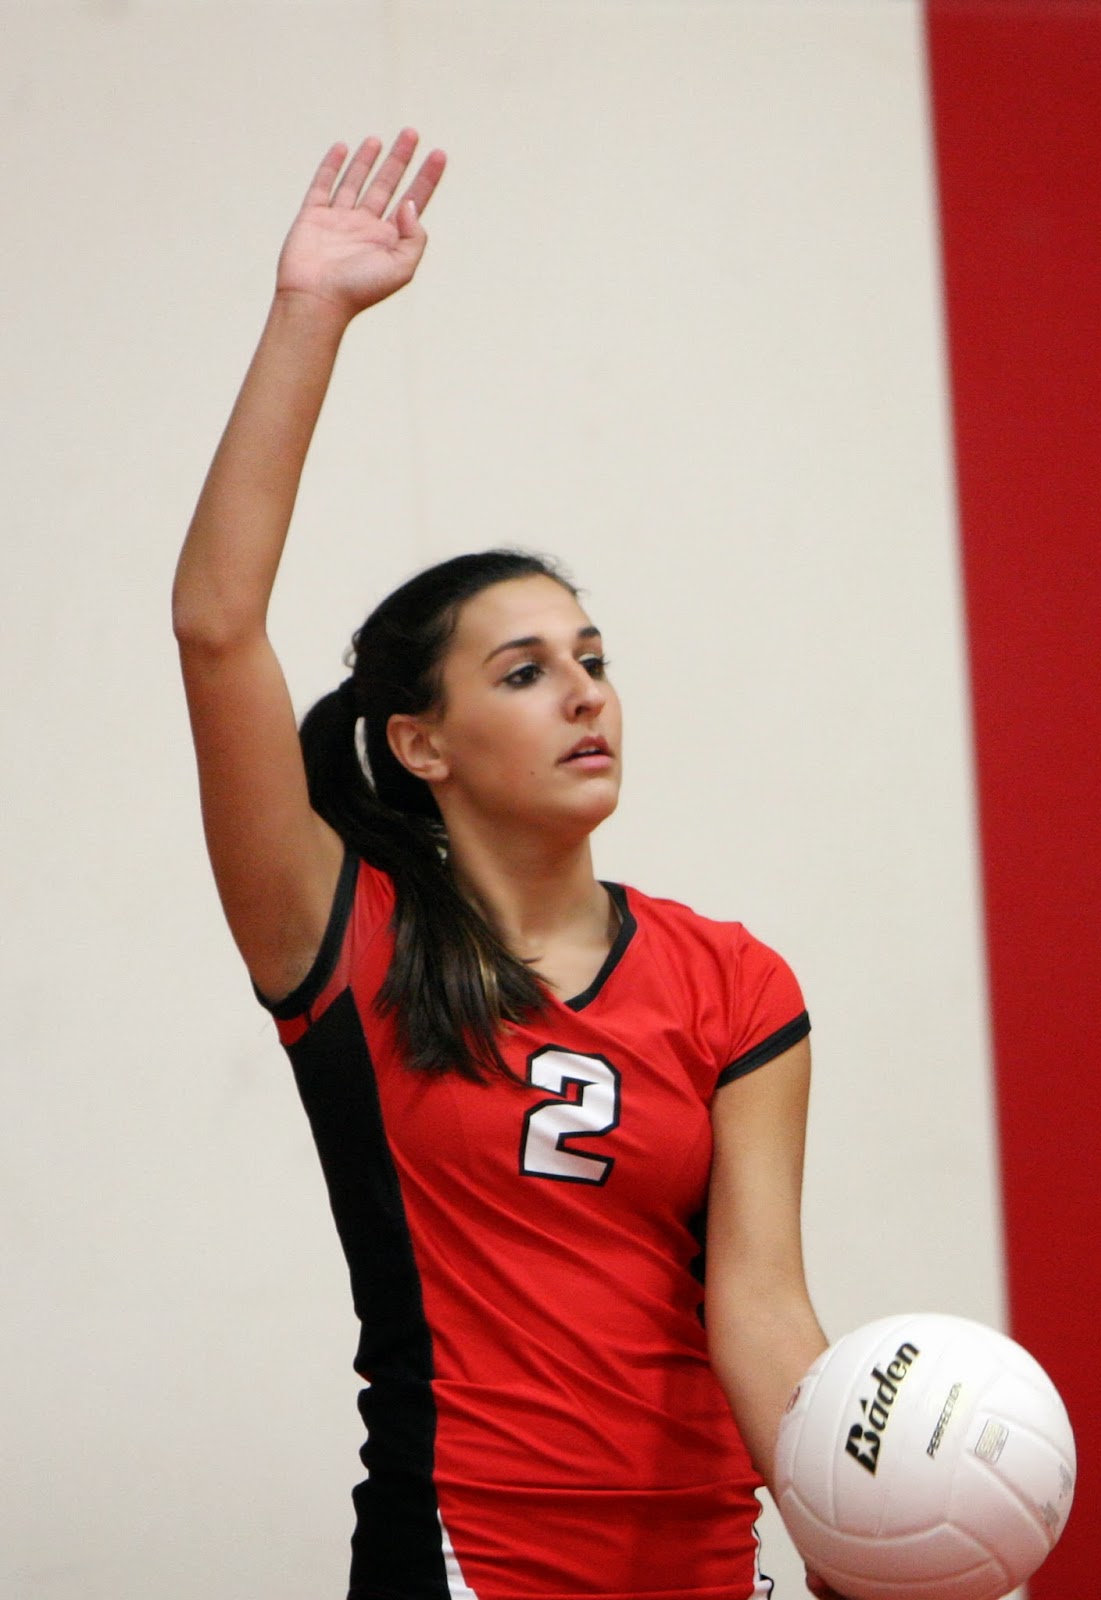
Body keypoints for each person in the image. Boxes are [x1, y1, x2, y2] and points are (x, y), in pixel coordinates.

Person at [174, 129, 838, 1600]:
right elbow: (218, 625)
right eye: (527, 671)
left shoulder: (736, 984)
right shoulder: (337, 937)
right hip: (464, 1560)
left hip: (704, 1565)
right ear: (421, 742)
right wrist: (312, 313)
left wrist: (878, 1535)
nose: (588, 693)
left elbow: (763, 1311)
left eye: (593, 660)